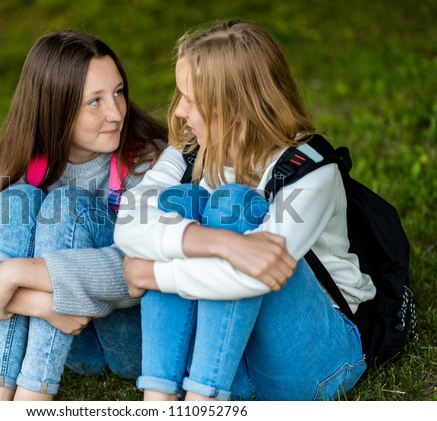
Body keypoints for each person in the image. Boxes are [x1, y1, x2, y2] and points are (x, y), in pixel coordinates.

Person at [114, 20, 377, 401]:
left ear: (233, 107)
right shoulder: (190, 150)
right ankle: (159, 397)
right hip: (226, 350)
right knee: (178, 205)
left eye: (190, 98)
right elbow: (130, 224)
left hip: (307, 358)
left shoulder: (309, 170)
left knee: (233, 205)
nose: (179, 110)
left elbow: (257, 275)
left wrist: (150, 273)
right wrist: (219, 243)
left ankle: (202, 400)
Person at [0, 30, 170, 401]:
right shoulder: (25, 165)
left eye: (118, 92)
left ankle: (32, 398)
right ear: (55, 108)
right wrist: (42, 304)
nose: (115, 112)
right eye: (95, 101)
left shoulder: (147, 161)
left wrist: (14, 274)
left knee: (66, 207)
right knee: (16, 201)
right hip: (74, 344)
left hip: (132, 342)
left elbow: (140, 269)